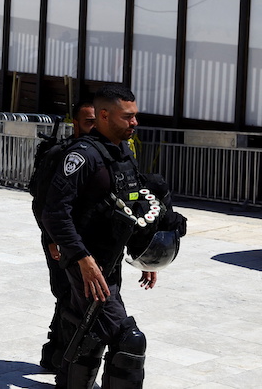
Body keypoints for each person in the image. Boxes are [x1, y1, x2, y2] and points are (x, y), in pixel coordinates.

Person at [42, 85, 185, 388]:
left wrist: (144, 254)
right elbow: (55, 213)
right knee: (129, 339)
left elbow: (131, 209)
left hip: (110, 261)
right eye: (127, 117)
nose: (134, 123)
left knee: (89, 332)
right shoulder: (83, 156)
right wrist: (82, 260)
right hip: (86, 265)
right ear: (104, 115)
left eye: (135, 116)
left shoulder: (122, 154)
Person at [30, 101, 96, 372]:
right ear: (76, 124)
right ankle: (62, 357)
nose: (94, 126)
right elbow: (42, 203)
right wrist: (51, 238)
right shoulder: (63, 155)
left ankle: (56, 353)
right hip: (61, 240)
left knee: (76, 297)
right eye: (88, 121)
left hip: (91, 240)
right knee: (68, 294)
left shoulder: (104, 154)